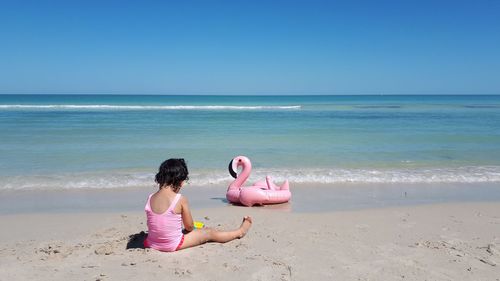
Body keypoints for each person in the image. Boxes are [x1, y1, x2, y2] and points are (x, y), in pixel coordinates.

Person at [144, 158, 252, 252]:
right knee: (209, 233)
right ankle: (239, 232)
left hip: (151, 243)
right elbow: (189, 227)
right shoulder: (180, 199)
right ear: (181, 181)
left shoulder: (150, 197)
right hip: (172, 244)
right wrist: (191, 228)